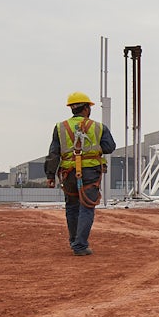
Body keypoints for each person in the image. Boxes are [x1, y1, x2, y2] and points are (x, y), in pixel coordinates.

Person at [45, 92, 116, 256]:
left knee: (72, 207)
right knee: (87, 207)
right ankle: (80, 245)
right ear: (86, 108)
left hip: (68, 173)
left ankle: (74, 242)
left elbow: (53, 153)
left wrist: (50, 176)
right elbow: (109, 147)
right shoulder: (98, 127)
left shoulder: (60, 127)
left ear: (72, 108)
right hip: (90, 173)